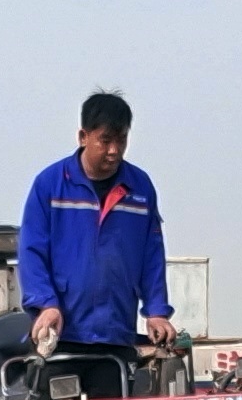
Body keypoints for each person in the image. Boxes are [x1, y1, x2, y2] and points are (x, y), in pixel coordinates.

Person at [17, 89, 173, 358]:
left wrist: (156, 311)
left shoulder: (140, 187)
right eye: (105, 141)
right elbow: (32, 251)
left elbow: (152, 255)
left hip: (116, 332)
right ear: (83, 136)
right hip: (61, 332)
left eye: (121, 140)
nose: (114, 151)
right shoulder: (50, 185)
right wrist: (46, 304)